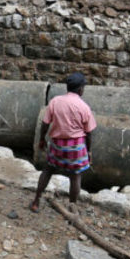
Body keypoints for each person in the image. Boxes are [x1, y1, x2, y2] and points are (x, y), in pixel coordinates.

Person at [30, 72, 97, 212]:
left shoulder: (55, 101)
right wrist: (89, 151)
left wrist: (42, 139)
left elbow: (45, 123)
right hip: (76, 147)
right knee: (75, 176)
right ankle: (72, 207)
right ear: (80, 89)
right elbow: (89, 133)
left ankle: (36, 201)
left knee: (47, 170)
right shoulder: (84, 107)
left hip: (57, 145)